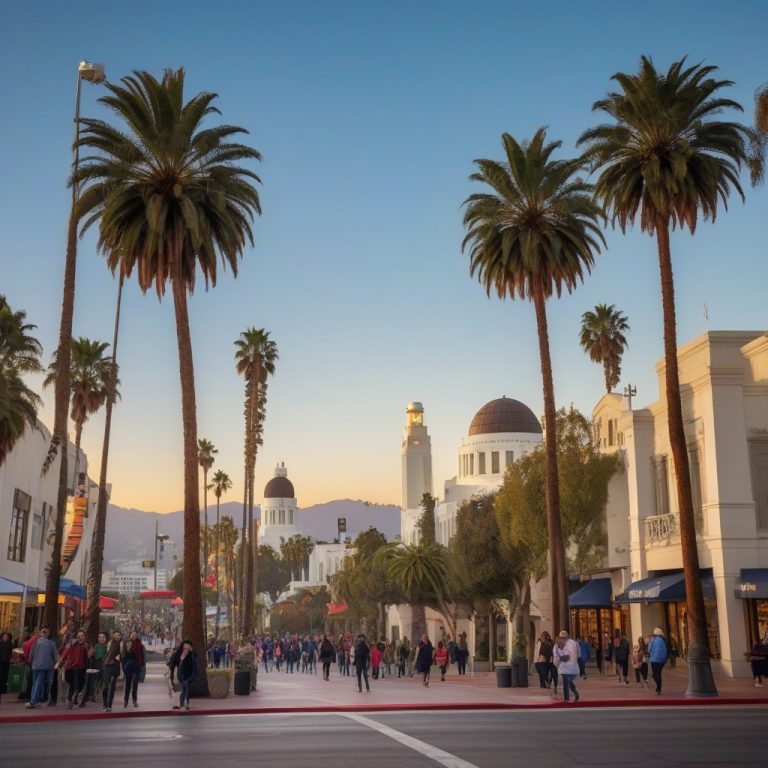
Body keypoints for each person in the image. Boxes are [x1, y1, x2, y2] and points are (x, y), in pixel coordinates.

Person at [25, 627, 58, 709]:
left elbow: (30, 654)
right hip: (45, 667)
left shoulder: (36, 642)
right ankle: (34, 702)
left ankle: (35, 700)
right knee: (40, 684)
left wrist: (31, 662)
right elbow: (55, 657)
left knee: (35, 684)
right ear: (47, 633)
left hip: (35, 666)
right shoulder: (51, 643)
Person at [60, 629, 89, 709]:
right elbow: (65, 653)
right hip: (71, 667)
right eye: (79, 636)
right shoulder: (72, 644)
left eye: (82, 636)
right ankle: (70, 700)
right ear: (76, 637)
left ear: (85, 637)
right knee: (73, 685)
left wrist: (86, 668)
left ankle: (72, 698)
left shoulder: (85, 645)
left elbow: (86, 658)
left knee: (80, 684)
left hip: (81, 668)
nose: (80, 638)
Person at [554, 630, 580, 702]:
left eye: (564, 638)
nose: (562, 639)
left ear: (567, 637)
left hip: (569, 666)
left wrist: (560, 656)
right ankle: (569, 695)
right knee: (567, 681)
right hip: (568, 667)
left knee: (567, 681)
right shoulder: (573, 643)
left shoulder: (569, 644)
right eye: (561, 638)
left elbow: (564, 657)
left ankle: (570, 695)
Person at [102, 630, 123, 711]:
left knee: (112, 686)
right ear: (113, 636)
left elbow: (123, 654)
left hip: (115, 667)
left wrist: (119, 656)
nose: (117, 636)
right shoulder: (110, 643)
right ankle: (104, 703)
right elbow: (107, 653)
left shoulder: (122, 644)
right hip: (107, 666)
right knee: (105, 685)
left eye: (119, 635)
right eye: (115, 635)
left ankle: (109, 705)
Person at [85, 631, 108, 704]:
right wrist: (91, 652)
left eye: (103, 637)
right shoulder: (95, 647)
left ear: (105, 638)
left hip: (104, 665)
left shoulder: (108, 647)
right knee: (94, 681)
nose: (101, 639)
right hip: (96, 665)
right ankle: (92, 695)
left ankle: (104, 697)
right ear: (98, 638)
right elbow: (89, 656)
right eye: (100, 637)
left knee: (104, 683)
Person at [122, 631, 144, 708]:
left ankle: (135, 700)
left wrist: (142, 666)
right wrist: (128, 649)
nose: (134, 636)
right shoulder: (127, 643)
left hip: (137, 667)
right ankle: (126, 700)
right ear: (130, 635)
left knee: (135, 685)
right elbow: (124, 657)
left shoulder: (140, 644)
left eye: (135, 634)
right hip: (128, 667)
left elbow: (142, 656)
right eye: (132, 634)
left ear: (137, 635)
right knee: (127, 685)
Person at [174, 640, 197, 710]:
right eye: (184, 648)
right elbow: (178, 666)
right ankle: (183, 704)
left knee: (186, 689)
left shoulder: (192, 656)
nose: (185, 650)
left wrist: (192, 677)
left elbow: (194, 668)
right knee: (184, 690)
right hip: (182, 677)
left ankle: (184, 703)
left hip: (188, 676)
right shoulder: (181, 655)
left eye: (187, 648)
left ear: (190, 648)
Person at [647, 626, 668, 695]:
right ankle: (659, 688)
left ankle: (658, 687)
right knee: (658, 674)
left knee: (655, 674)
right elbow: (665, 650)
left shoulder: (653, 640)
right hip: (661, 661)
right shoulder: (663, 640)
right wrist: (664, 659)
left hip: (654, 660)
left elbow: (649, 649)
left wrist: (651, 653)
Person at [0, 632, 13, 699]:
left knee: (5, 676)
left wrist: (10, 659)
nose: (5, 637)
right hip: (1, 662)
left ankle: (3, 689)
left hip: (6, 662)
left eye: (6, 637)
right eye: (4, 636)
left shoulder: (9, 644)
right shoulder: (1, 643)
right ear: (2, 637)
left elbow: (10, 653)